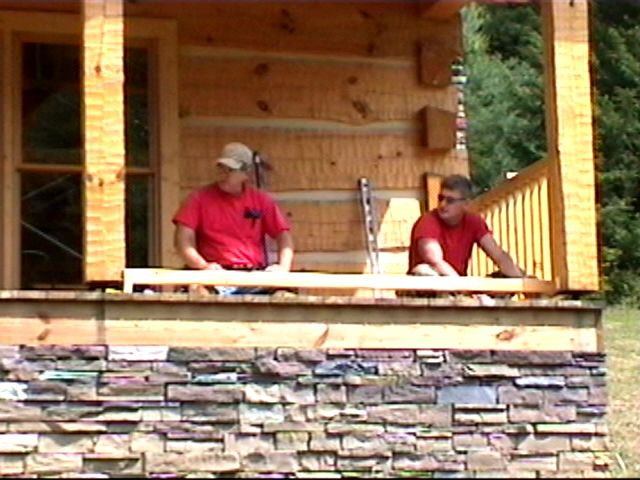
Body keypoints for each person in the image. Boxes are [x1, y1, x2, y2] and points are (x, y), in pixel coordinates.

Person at [172, 142, 294, 294]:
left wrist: (283, 268)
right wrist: (202, 266)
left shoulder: (261, 200)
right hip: (215, 275)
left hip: (254, 276)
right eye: (221, 168)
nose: (223, 173)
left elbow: (284, 237)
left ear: (245, 173)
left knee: (284, 295)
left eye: (230, 169)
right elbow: (183, 240)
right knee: (199, 293)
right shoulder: (199, 199)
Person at [407, 174, 526, 300]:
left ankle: (479, 305)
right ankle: (466, 301)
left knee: (513, 273)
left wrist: (523, 281)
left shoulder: (473, 222)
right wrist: (465, 290)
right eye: (440, 198)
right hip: (433, 287)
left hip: (458, 287)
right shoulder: (427, 221)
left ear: (466, 203)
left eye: (450, 200)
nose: (443, 204)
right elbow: (435, 261)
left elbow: (499, 255)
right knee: (423, 271)